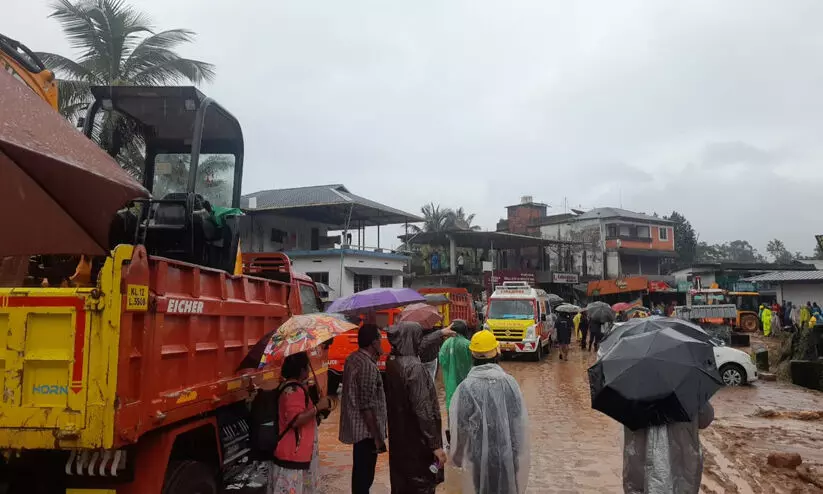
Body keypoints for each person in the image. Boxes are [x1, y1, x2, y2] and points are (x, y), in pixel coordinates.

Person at [449, 330, 529, 494]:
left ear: (473, 355)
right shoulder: (510, 383)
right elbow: (518, 421)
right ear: (497, 352)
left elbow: (461, 425)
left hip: (479, 456)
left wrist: (457, 454)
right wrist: (517, 453)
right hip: (507, 454)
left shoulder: (466, 387)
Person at [385, 322, 447, 494]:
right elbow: (424, 411)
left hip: (399, 441)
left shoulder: (392, 362)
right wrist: (435, 445)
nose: (420, 342)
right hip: (418, 444)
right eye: (418, 338)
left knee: (402, 486)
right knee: (421, 485)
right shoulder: (415, 369)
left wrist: (440, 333)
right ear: (411, 339)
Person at [268, 352, 332, 494]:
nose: (309, 370)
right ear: (302, 370)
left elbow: (306, 418)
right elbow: (295, 420)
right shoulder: (293, 390)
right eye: (307, 367)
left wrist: (319, 411)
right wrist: (317, 408)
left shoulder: (295, 387)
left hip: (297, 456)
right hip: (292, 457)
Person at [622, 403, 715, 494]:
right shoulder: (689, 392)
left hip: (639, 474)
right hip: (683, 472)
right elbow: (705, 419)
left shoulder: (633, 394)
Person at [339, 324, 388, 494]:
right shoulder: (367, 366)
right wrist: (377, 438)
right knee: (364, 479)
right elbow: (367, 405)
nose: (382, 342)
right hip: (367, 433)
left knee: (360, 477)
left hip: (358, 431)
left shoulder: (353, 358)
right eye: (380, 339)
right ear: (373, 343)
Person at [438, 319, 473, 446]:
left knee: (451, 410)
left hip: (450, 385)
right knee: (465, 413)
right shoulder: (467, 344)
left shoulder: (446, 344)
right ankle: (463, 441)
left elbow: (442, 362)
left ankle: (451, 438)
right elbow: (472, 364)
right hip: (465, 386)